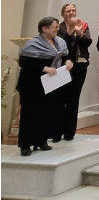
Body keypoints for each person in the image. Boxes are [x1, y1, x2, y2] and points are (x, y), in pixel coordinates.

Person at [17, 17, 73, 156]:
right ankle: (25, 144)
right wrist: (44, 68)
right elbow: (24, 62)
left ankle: (41, 141)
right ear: (44, 28)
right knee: (30, 113)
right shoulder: (33, 44)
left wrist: (68, 62)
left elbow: (65, 56)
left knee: (46, 112)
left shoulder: (60, 42)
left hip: (50, 84)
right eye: (55, 26)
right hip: (31, 85)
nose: (58, 28)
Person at [54, 3, 91, 142]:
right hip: (64, 66)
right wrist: (70, 31)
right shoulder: (59, 27)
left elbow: (87, 43)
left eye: (73, 10)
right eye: (68, 11)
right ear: (63, 14)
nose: (71, 13)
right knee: (60, 99)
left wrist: (80, 33)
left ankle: (69, 133)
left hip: (80, 65)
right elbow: (59, 44)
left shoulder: (83, 24)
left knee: (73, 99)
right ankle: (56, 132)